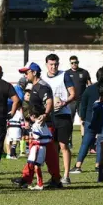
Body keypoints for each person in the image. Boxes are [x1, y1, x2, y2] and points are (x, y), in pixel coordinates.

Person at [13, 62, 62, 190]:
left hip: (44, 124)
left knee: (36, 151)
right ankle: (54, 179)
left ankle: (26, 179)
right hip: (38, 124)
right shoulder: (33, 86)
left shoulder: (42, 87)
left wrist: (45, 114)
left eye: (27, 72)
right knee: (47, 153)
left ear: (34, 72)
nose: (25, 75)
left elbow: (49, 101)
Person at [40, 54, 77, 185]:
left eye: (55, 64)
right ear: (46, 64)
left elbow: (73, 93)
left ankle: (66, 175)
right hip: (49, 117)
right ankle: (55, 176)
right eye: (51, 64)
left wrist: (64, 102)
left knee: (63, 145)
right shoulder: (42, 78)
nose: (53, 67)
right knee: (52, 147)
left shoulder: (64, 75)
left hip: (63, 115)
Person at [74, 66, 103, 173]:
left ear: (97, 76)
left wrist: (82, 117)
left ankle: (78, 165)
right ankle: (98, 166)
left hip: (90, 120)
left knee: (86, 142)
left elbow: (83, 104)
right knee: (101, 143)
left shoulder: (89, 89)